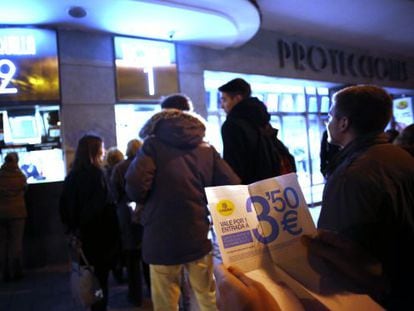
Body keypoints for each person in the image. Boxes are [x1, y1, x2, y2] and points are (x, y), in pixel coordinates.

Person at [125, 108, 240, 311]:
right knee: (207, 297)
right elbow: (230, 183)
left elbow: (135, 186)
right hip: (197, 233)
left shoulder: (152, 146)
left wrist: (148, 199)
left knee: (165, 303)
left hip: (160, 237)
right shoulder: (206, 149)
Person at [318, 85, 414, 309]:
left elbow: (339, 252)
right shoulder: (401, 157)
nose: (327, 122)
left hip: (382, 298)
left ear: (344, 123)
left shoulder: (351, 174)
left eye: (330, 115)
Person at [139, 93, 194, 311]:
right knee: (192, 286)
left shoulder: (152, 145)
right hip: (193, 225)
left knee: (166, 290)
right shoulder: (201, 144)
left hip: (161, 226)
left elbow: (135, 185)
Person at [59, 135, 120, 311]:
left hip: (81, 238)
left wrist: (72, 229)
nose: (104, 151)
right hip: (99, 238)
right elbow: (104, 208)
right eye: (101, 148)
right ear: (94, 151)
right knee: (100, 279)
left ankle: (93, 304)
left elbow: (64, 207)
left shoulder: (71, 176)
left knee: (89, 274)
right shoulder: (96, 175)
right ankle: (99, 304)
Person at [218, 78, 295, 184]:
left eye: (224, 100)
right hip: (272, 186)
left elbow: (234, 167)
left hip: (251, 190)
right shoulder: (260, 120)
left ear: (237, 98)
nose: (222, 105)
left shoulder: (232, 125)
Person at [111, 138, 150, 306]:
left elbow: (114, 193)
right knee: (148, 257)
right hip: (145, 214)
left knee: (132, 258)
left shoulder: (119, 168)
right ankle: (153, 291)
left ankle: (135, 296)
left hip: (125, 216)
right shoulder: (145, 166)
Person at [0, 152, 27, 282]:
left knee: (2, 244)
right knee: (16, 243)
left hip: (1, 214)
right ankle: (17, 272)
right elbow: (25, 189)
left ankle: (3, 273)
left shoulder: (0, 175)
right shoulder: (20, 176)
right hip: (17, 214)